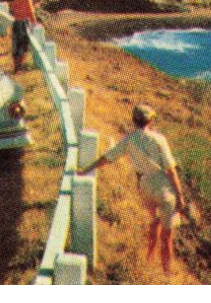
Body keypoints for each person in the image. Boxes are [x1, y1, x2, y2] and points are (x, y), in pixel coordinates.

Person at [77, 104, 187, 277]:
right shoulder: (159, 140)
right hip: (164, 187)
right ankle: (167, 275)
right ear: (150, 120)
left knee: (154, 221)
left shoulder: (129, 140)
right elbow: (171, 170)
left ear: (134, 120)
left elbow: (107, 157)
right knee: (167, 239)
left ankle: (149, 259)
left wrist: (85, 170)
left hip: (145, 186)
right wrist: (180, 195)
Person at [9, 0, 40, 72]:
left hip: (16, 23)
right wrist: (35, 23)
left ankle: (16, 67)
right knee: (23, 46)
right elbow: (31, 12)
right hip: (24, 24)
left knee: (16, 46)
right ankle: (19, 68)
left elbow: (12, 9)